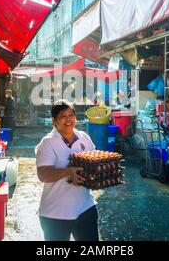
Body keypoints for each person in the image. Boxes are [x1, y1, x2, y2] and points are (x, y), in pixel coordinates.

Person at [35, 100, 99, 241]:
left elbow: (94, 163)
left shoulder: (84, 138)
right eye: (63, 116)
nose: (68, 119)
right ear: (54, 120)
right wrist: (68, 171)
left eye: (71, 115)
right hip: (56, 212)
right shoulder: (47, 143)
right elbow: (43, 175)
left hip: (85, 207)